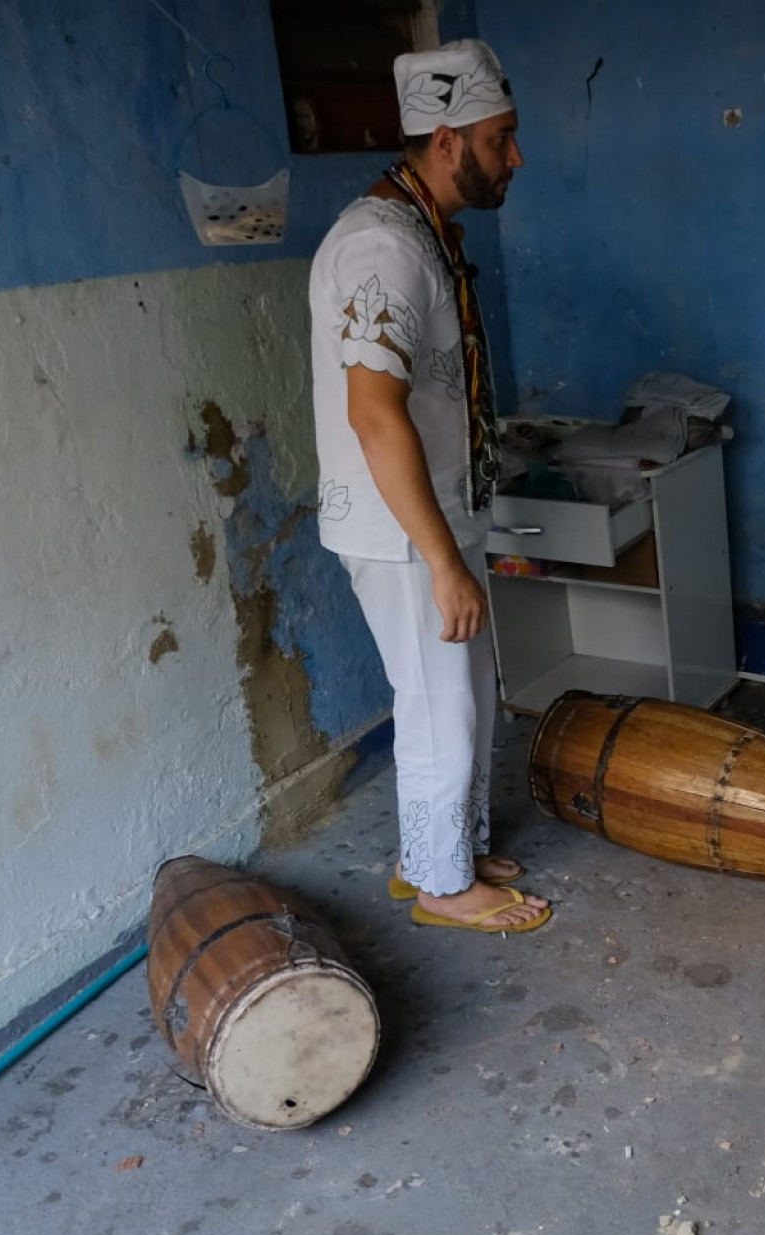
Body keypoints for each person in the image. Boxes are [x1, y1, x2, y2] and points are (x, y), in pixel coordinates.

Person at [308, 39, 549, 933]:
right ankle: (444, 889)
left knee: (466, 690)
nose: (515, 156)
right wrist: (442, 561)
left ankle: (444, 850)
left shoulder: (418, 228)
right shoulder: (382, 248)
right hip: (401, 526)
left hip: (436, 512)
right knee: (439, 699)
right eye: (502, 138)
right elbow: (376, 415)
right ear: (446, 141)